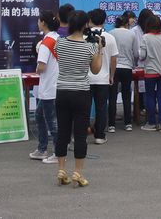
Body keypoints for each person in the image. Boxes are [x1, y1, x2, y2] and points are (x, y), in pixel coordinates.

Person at [54, 10, 103, 188]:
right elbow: (96, 70)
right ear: (85, 25)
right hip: (81, 93)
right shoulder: (90, 47)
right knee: (80, 135)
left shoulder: (59, 43)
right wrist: (99, 49)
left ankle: (61, 169)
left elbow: (61, 60)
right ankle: (77, 172)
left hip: (62, 91)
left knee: (62, 132)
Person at [29, 11, 60, 163]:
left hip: (49, 87)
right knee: (40, 116)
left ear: (43, 23)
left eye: (38, 20)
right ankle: (42, 148)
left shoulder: (46, 43)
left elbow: (41, 66)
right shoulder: (58, 38)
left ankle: (58, 152)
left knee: (51, 122)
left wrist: (36, 70)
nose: (38, 23)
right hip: (57, 85)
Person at [87, 9, 119, 145]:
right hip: (103, 78)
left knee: (84, 108)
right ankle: (99, 136)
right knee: (101, 108)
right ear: (104, 20)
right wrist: (112, 75)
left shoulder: (84, 37)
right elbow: (114, 59)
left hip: (86, 79)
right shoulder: (110, 37)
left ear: (89, 20)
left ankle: (81, 134)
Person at [139, 15, 161, 131]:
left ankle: (152, 122)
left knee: (150, 96)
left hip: (151, 70)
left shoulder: (145, 37)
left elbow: (142, 55)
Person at [108, 14, 138, 132]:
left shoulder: (111, 33)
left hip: (114, 67)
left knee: (112, 96)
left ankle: (111, 125)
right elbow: (136, 53)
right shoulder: (131, 34)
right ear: (126, 23)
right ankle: (128, 123)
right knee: (126, 95)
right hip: (127, 67)